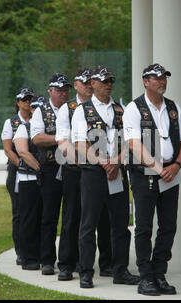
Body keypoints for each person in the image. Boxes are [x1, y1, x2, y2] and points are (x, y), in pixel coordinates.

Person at [123, 63, 181, 296]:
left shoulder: (173, 107)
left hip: (171, 172)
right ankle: (146, 276)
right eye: (157, 78)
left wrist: (176, 165)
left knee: (168, 226)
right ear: (145, 81)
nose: (162, 81)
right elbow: (134, 143)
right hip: (145, 174)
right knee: (143, 226)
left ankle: (160, 272)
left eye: (164, 78)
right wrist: (157, 166)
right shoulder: (134, 108)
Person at [71, 66, 139, 288]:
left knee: (120, 224)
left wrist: (116, 161)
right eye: (104, 81)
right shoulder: (83, 110)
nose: (108, 84)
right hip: (93, 172)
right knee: (88, 224)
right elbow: (80, 144)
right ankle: (86, 272)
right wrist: (103, 162)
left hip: (117, 171)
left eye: (111, 80)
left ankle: (120, 270)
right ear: (93, 83)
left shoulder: (122, 109)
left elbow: (131, 141)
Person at [55, 68, 112, 281]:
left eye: (91, 81)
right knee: (73, 216)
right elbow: (63, 141)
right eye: (84, 81)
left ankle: (107, 262)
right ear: (76, 85)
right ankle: (67, 264)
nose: (89, 84)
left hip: (100, 168)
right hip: (75, 167)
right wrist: (82, 161)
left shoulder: (108, 106)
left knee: (104, 217)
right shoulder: (68, 108)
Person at [31, 74, 70, 275]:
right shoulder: (41, 111)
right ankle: (47, 260)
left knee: (72, 216)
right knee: (49, 216)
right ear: (50, 91)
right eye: (59, 90)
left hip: (72, 167)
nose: (64, 93)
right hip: (51, 167)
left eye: (66, 90)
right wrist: (61, 138)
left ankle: (70, 260)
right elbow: (37, 138)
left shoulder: (75, 109)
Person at [1, 87, 36, 265]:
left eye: (30, 99)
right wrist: (22, 164)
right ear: (18, 102)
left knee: (34, 212)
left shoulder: (38, 120)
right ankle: (21, 251)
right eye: (24, 99)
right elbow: (8, 149)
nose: (27, 102)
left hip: (35, 172)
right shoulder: (11, 122)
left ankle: (34, 249)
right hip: (18, 170)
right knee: (19, 213)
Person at [11, 87, 43, 271]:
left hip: (41, 178)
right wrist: (40, 168)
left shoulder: (45, 128)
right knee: (28, 219)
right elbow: (22, 151)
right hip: (27, 177)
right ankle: (27, 257)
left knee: (42, 218)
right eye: (35, 108)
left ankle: (39, 254)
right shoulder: (23, 127)